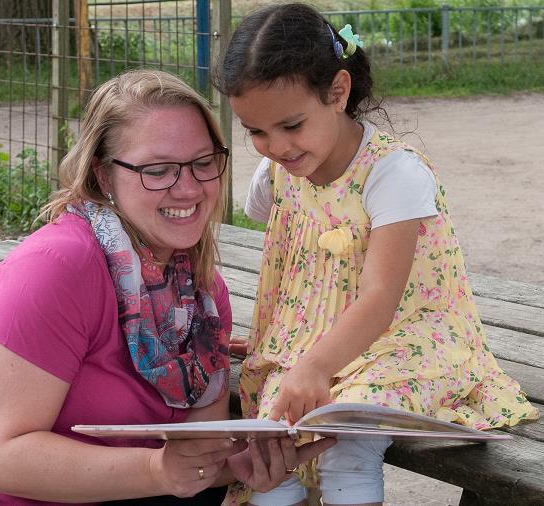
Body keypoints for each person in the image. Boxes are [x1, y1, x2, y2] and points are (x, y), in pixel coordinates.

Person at [0, 70, 334, 505]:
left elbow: (193, 457)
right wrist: (158, 470)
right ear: (102, 175)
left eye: (203, 163)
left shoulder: (204, 295)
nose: (188, 187)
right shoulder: (56, 268)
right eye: (157, 170)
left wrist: (233, 466)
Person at [216, 4, 539, 505]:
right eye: (256, 131)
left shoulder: (392, 174)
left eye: (291, 125)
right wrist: (280, 333)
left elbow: (381, 296)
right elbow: (291, 255)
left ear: (338, 92)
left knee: (348, 436)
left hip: (403, 343)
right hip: (316, 346)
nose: (275, 146)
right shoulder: (279, 174)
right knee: (272, 439)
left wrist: (316, 366)